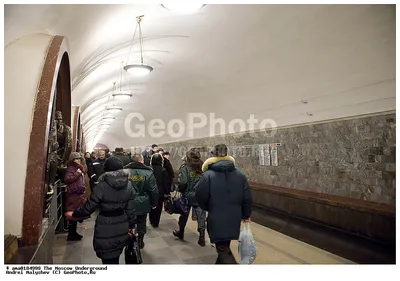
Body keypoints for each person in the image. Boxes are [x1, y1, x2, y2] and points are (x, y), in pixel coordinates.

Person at [65, 157, 137, 264]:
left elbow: (89, 207)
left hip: (105, 225)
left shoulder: (101, 186)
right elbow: (131, 210)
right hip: (122, 223)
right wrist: (132, 226)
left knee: (108, 257)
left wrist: (74, 214)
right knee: (116, 254)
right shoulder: (129, 185)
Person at [195, 144, 252, 264]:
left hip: (216, 217)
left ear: (213, 155)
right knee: (224, 246)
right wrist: (246, 215)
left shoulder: (207, 176)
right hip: (234, 217)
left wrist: (209, 207)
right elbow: (247, 197)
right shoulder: (240, 175)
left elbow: (200, 196)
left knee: (222, 249)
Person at [173, 149, 206, 246]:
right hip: (200, 195)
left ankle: (181, 232)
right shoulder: (203, 166)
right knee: (201, 217)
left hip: (187, 196)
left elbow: (182, 183)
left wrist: (181, 189)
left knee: (183, 214)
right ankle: (202, 237)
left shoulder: (185, 168)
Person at [125, 153, 158, 249]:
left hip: (129, 202)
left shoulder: (125, 172)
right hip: (143, 201)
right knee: (142, 221)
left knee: (129, 221)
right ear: (141, 160)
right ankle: (140, 242)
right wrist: (154, 203)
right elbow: (153, 190)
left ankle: (130, 240)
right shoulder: (148, 172)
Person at [64, 152, 87, 241]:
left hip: (77, 194)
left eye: (79, 159)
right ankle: (71, 234)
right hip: (73, 194)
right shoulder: (71, 168)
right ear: (72, 160)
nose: (78, 160)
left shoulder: (77, 168)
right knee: (72, 214)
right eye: (76, 159)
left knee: (75, 214)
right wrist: (77, 174)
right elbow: (67, 179)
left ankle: (73, 233)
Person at [149, 153, 170, 227]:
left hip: (150, 191)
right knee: (159, 207)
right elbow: (165, 182)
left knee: (151, 206)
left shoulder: (149, 169)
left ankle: (151, 220)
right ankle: (155, 222)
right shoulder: (163, 170)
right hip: (160, 191)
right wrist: (167, 192)